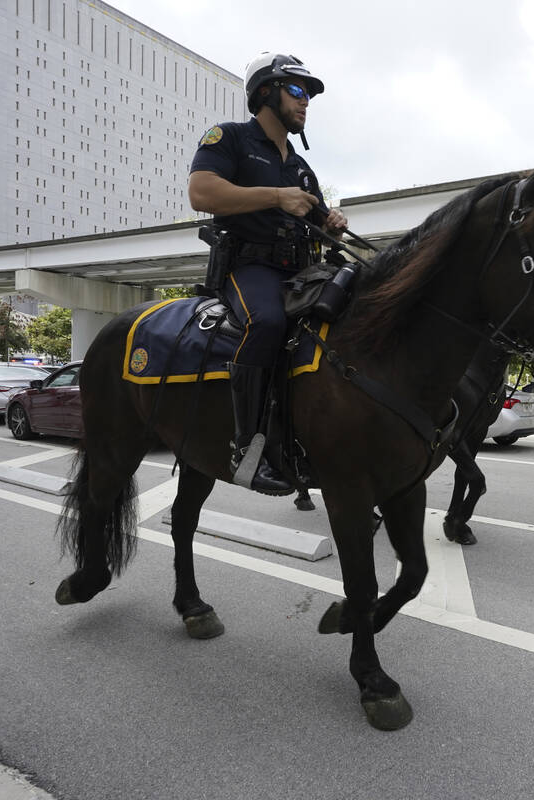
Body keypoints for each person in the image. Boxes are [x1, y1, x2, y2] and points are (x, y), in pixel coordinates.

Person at [188, 52, 348, 495]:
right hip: (247, 267)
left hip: (299, 271)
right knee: (268, 322)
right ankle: (246, 447)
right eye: (296, 91)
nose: (305, 102)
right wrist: (277, 196)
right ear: (265, 93)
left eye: (309, 95)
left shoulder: (299, 166)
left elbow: (310, 213)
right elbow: (201, 192)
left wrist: (329, 219)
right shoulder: (230, 138)